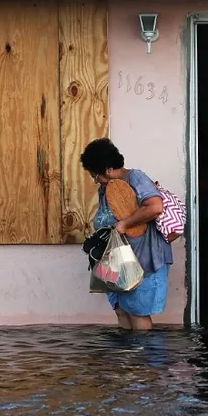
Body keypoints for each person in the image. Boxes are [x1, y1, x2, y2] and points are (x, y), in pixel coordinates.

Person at [81, 138, 173, 331]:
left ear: (107, 169)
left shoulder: (136, 178)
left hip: (142, 258)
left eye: (95, 175)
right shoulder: (107, 187)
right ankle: (126, 358)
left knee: (137, 311)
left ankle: (144, 358)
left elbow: (155, 207)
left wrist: (124, 224)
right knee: (121, 309)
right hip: (117, 259)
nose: (95, 180)